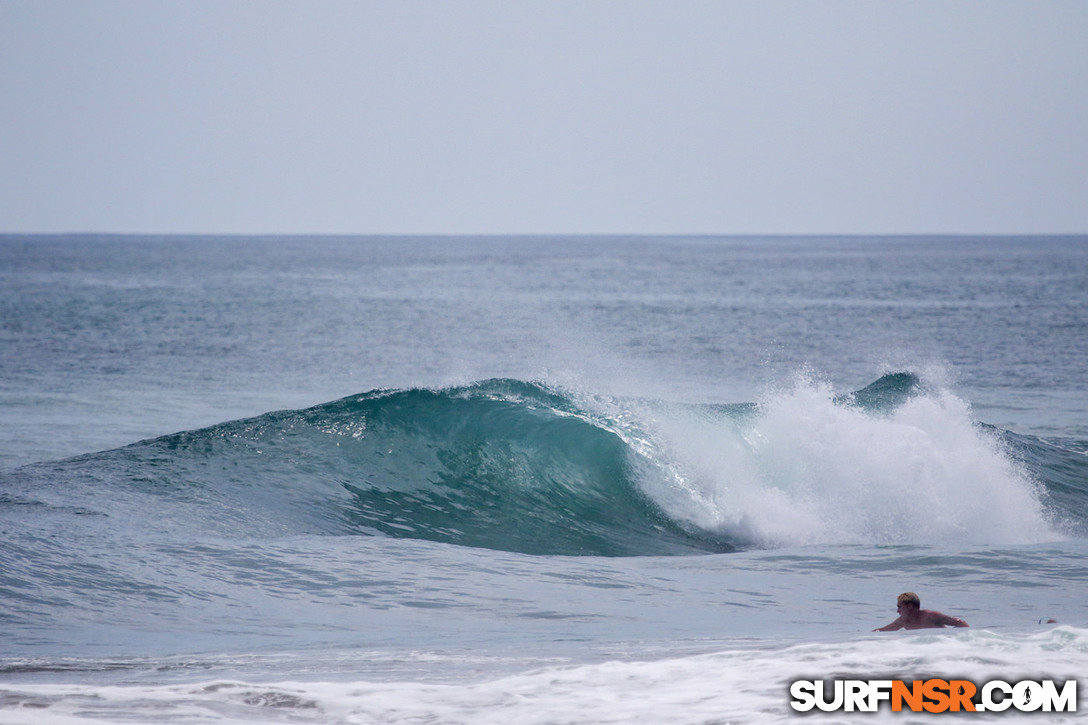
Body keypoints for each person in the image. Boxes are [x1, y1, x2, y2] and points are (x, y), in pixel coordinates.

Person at [874, 592, 968, 631]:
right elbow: (881, 631)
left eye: (900, 607)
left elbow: (962, 624)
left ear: (909, 606)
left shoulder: (930, 616)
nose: (898, 611)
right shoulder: (903, 621)